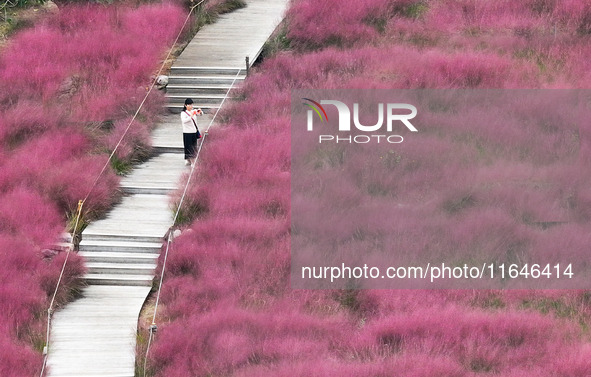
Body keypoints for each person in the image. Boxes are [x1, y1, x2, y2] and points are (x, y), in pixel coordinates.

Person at [180, 98, 203, 166]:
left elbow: (200, 114)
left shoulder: (193, 111)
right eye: (189, 105)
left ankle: (192, 160)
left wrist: (200, 111)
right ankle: (188, 160)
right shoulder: (183, 113)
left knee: (193, 147)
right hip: (187, 133)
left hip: (194, 132)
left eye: (191, 105)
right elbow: (184, 121)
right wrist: (191, 115)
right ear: (185, 105)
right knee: (188, 147)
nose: (191, 106)